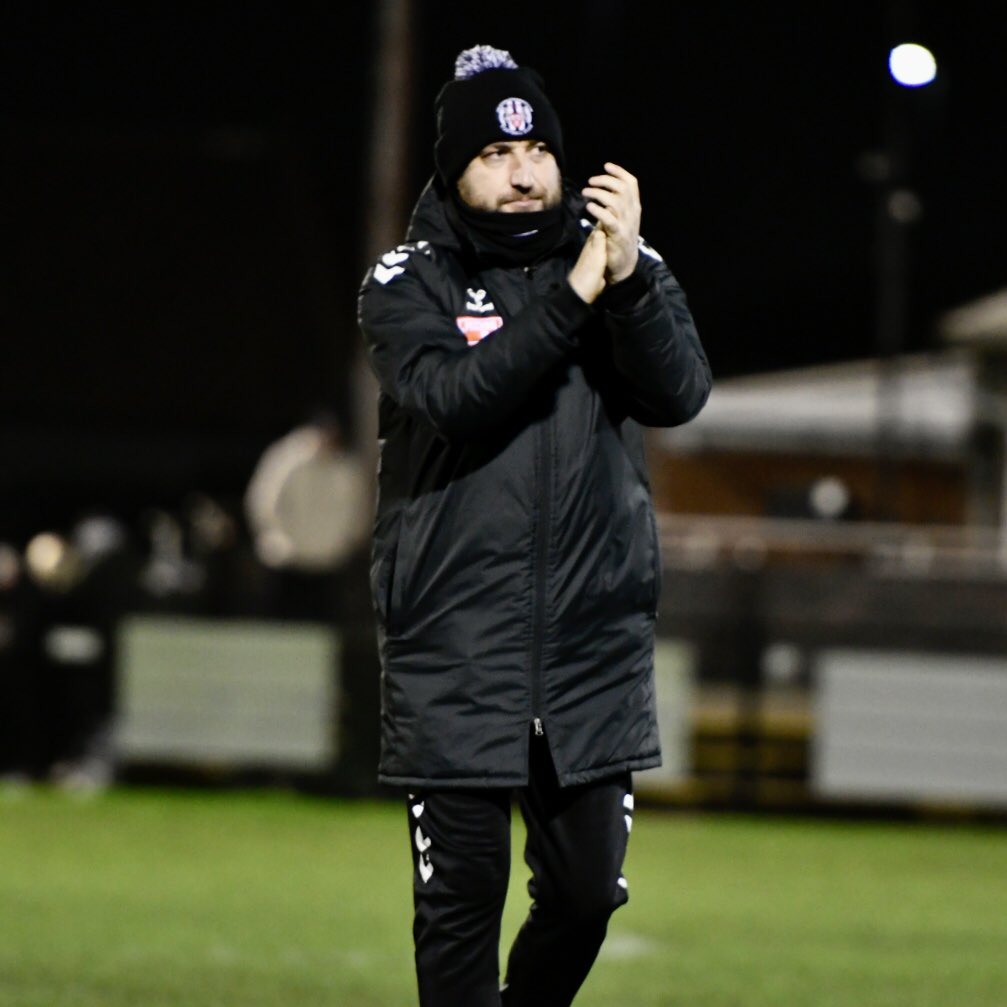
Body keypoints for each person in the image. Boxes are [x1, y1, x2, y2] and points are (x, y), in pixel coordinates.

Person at [358, 44, 711, 1007]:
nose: (523, 174)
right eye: (494, 156)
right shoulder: (407, 280)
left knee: (587, 893)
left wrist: (626, 281)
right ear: (453, 173)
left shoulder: (619, 263)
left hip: (590, 645)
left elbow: (680, 393)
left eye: (538, 152)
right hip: (458, 641)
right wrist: (576, 294)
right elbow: (459, 397)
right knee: (461, 901)